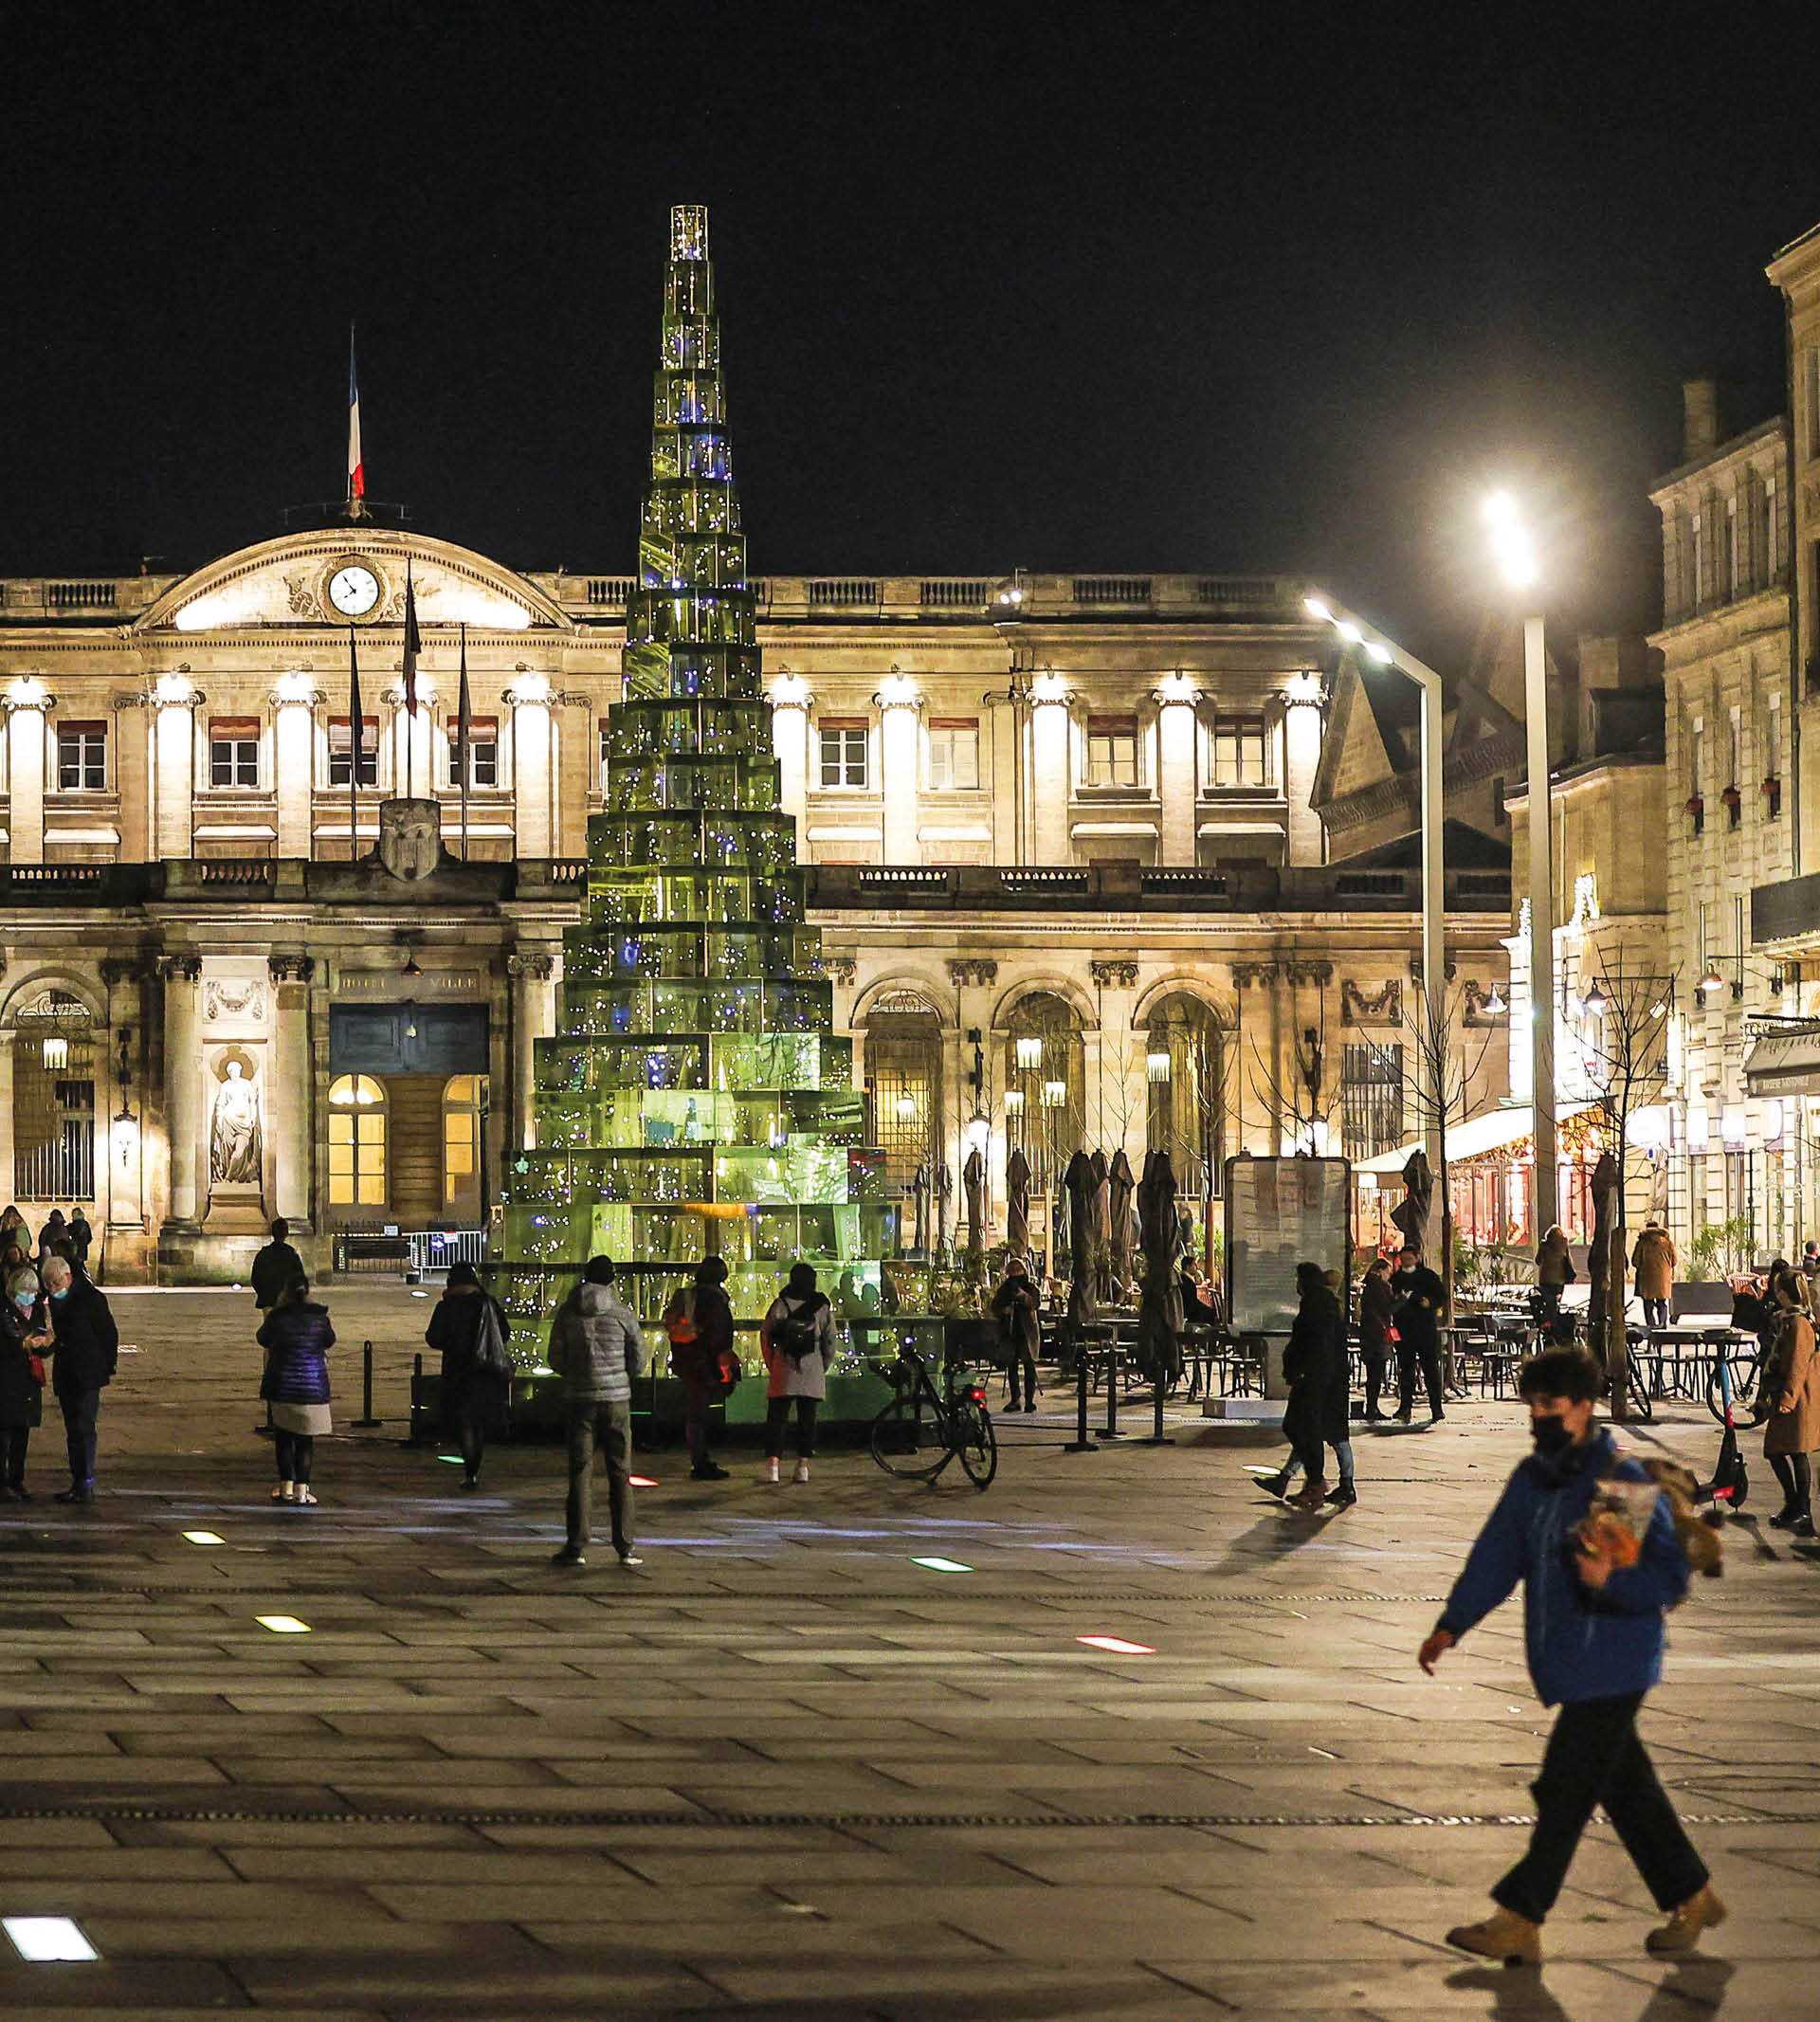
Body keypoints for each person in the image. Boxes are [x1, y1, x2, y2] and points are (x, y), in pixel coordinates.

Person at [1419, 1345, 1720, 1966]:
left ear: (1584, 1407)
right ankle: (1691, 1892)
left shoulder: (1616, 1481)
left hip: (1616, 1660)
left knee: (1565, 1786)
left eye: (1551, 1404)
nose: (1540, 1415)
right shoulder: (1535, 1478)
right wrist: (1452, 1623)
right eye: (1532, 1405)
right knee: (1625, 1785)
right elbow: (1498, 1553)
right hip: (1569, 1659)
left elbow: (1666, 1582)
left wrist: (1609, 1578)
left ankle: (1519, 1917)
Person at [547, 1255, 644, 1569]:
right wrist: (622, 1375)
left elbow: (555, 1358)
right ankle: (625, 1546)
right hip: (616, 1399)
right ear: (612, 1280)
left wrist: (576, 1374)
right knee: (620, 1471)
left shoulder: (567, 1313)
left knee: (579, 1472)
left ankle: (576, 1545)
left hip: (579, 1399)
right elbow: (638, 1360)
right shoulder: (622, 1314)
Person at [1263, 1260, 1354, 1509]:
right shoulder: (1318, 1303)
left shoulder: (1318, 1305)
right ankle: (1307, 1481)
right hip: (1318, 1377)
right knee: (1301, 1427)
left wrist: (1304, 1371)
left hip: (1317, 1379)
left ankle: (1318, 1483)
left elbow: (1313, 1344)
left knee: (1303, 1427)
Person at [426, 1261, 512, 1489]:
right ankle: (474, 1467)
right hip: (484, 1371)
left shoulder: (446, 1306)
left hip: (457, 1370)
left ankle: (470, 1469)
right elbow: (504, 1332)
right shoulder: (487, 1303)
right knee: (478, 1422)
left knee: (463, 1420)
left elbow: (433, 1337)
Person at [41, 1253, 118, 1504]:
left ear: (67, 1276)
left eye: (55, 1283)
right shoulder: (56, 1299)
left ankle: (85, 1482)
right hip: (66, 1373)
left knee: (83, 1429)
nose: (52, 1290)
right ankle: (78, 1481)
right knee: (72, 1430)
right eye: (48, 1285)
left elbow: (108, 1334)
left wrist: (106, 1366)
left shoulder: (91, 1299)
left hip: (87, 1374)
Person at [256, 1276, 335, 1506]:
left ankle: (285, 1487)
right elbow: (330, 1340)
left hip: (282, 1385)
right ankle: (302, 1491)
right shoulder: (319, 1318)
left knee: (283, 1437)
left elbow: (262, 1338)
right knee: (304, 1441)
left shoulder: (277, 1318)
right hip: (312, 1386)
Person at [761, 1261, 837, 1485]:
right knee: (808, 1419)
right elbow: (830, 1340)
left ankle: (773, 1466)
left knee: (777, 1418)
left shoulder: (780, 1304)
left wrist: (772, 1362)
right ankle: (802, 1465)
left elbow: (766, 1335)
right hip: (811, 1366)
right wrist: (822, 1365)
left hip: (783, 1366)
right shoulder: (821, 1307)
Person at [663, 1256, 736, 1481]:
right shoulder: (714, 1300)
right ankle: (700, 1462)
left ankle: (700, 1458)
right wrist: (722, 1364)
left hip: (687, 1359)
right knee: (698, 1414)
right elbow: (717, 1335)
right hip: (704, 1362)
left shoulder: (688, 1296)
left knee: (695, 1412)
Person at [1762, 1265, 1817, 1538]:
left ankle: (1800, 1509)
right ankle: (1796, 1507)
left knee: (1790, 1450)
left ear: (1783, 1293)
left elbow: (1796, 1364)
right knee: (1790, 1450)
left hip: (1797, 1398)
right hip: (1794, 1396)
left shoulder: (1798, 1323)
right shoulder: (1792, 1319)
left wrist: (1787, 1398)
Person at [0, 1263, 49, 1500]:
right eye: (25, 1291)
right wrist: (23, 1344)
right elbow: (7, 1343)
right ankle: (2, 1483)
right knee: (4, 1432)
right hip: (7, 1377)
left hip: (29, 1378)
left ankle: (16, 1480)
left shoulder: (38, 1309)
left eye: (33, 1291)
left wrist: (45, 1344)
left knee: (22, 1431)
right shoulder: (4, 1309)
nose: (30, 1295)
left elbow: (41, 1339)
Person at [1392, 1242, 1447, 1424]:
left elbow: (1441, 1297)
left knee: (1430, 1370)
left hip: (1425, 1330)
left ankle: (1436, 1408)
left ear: (1417, 1258)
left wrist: (1430, 1302)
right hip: (1404, 1331)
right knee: (1405, 1370)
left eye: (1410, 1258)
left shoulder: (1428, 1276)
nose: (1407, 1261)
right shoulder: (1396, 1278)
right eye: (1404, 1258)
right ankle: (1405, 1407)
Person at [991, 1256, 1041, 1412]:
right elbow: (995, 1306)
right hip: (1010, 1331)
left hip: (1026, 1331)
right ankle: (1015, 1399)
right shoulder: (1005, 1289)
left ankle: (1029, 1400)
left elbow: (1035, 1303)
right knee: (1012, 1366)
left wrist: (1024, 1297)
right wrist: (1004, 1310)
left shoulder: (1029, 1287)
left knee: (1029, 1366)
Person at [1356, 1254, 1397, 1423]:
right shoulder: (1381, 1286)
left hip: (1368, 1334)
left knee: (1373, 1373)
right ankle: (1372, 1407)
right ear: (1381, 1271)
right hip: (1379, 1335)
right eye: (1388, 1272)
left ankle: (1371, 1407)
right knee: (1376, 1373)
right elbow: (1389, 1308)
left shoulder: (1368, 1286)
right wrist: (1402, 1298)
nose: (1389, 1275)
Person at [250, 1218, 305, 1314]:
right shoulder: (291, 1253)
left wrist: (263, 1293)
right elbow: (299, 1278)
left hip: (268, 1300)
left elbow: (255, 1278)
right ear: (286, 1233)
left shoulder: (263, 1254)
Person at [1632, 1221, 1675, 1332]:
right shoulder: (1667, 1242)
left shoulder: (1642, 1243)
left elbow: (1635, 1261)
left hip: (1647, 1278)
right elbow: (1674, 1261)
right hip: (1663, 1279)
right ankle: (1662, 1323)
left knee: (1648, 1304)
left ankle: (1651, 1325)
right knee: (1662, 1302)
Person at [1536, 1224, 1574, 1322]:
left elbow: (1538, 1261)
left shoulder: (1544, 1245)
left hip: (1545, 1280)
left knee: (1548, 1304)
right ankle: (1555, 1322)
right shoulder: (1564, 1244)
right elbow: (1569, 1260)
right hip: (1559, 1280)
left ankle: (1548, 1322)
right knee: (1556, 1302)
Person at [67, 1208, 93, 1272]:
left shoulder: (75, 1224)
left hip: (76, 1250)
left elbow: (68, 1231)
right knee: (81, 1267)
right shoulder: (86, 1224)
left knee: (77, 1268)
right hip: (83, 1250)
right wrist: (84, 1244)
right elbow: (89, 1238)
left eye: (73, 1214)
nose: (72, 1216)